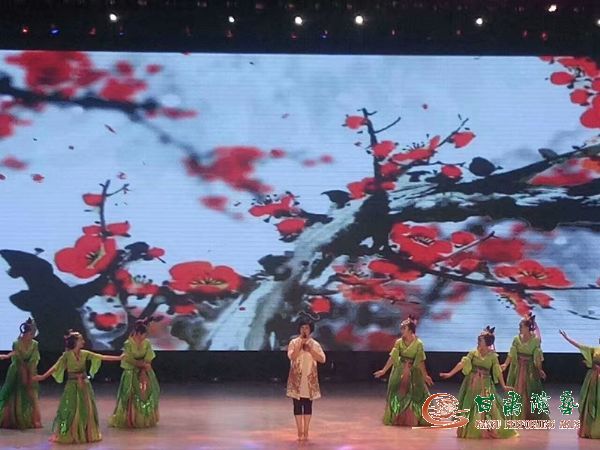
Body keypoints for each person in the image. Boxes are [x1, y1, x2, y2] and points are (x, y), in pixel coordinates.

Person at [34, 330, 122, 444]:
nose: (83, 341)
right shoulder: (67, 355)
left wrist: (119, 358)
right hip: (72, 386)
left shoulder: (85, 353)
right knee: (71, 409)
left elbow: (101, 357)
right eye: (81, 339)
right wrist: (42, 377)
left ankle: (85, 432)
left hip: (84, 385)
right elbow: (56, 367)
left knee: (86, 409)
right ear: (75, 342)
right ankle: (71, 432)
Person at [440, 326, 517, 439]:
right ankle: (469, 429)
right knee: (471, 406)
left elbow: (497, 371)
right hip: (472, 383)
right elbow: (462, 363)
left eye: (480, 340)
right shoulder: (473, 353)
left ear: (486, 342)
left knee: (485, 407)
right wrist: (450, 374)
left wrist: (503, 385)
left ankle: (485, 429)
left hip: (485, 384)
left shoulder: (492, 356)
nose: (478, 341)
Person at [373, 315, 433, 426]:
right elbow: (393, 357)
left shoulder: (419, 344)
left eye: (404, 328)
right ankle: (397, 418)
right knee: (397, 393)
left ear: (410, 330)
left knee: (415, 394)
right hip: (400, 371)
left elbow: (420, 361)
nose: (401, 330)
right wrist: (384, 370)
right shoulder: (399, 342)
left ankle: (413, 418)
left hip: (413, 372)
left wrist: (425, 375)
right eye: (401, 328)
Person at [109, 318, 160, 428]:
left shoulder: (146, 343)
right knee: (130, 394)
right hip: (131, 371)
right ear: (138, 333)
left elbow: (149, 356)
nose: (144, 337)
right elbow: (128, 358)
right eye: (143, 335)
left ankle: (145, 417)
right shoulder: (128, 344)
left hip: (145, 370)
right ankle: (131, 418)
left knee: (147, 393)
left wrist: (144, 369)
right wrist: (141, 365)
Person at [500, 313, 548, 420]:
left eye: (521, 326)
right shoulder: (516, 339)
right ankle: (516, 414)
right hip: (517, 368)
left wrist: (540, 369)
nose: (519, 328)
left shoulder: (535, 340)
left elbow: (537, 356)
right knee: (517, 390)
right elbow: (512, 353)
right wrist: (505, 364)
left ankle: (529, 415)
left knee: (530, 391)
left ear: (527, 327)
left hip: (529, 369)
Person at [286, 320, 326, 441]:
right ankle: (299, 431)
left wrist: (310, 350)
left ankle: (306, 431)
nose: (304, 330)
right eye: (302, 328)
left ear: (310, 330)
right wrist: (300, 346)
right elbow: (292, 356)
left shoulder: (315, 344)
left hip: (309, 378)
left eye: (307, 328)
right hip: (296, 379)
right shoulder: (294, 342)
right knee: (297, 405)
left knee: (308, 405)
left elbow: (322, 359)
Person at [0, 318, 42, 429]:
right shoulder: (16, 343)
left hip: (30, 370)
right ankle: (14, 418)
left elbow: (34, 358)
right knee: (14, 393)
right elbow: (17, 357)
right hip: (17, 369)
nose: (32, 336)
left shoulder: (35, 344)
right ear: (26, 333)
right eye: (31, 334)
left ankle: (31, 419)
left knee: (30, 394)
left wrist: (30, 371)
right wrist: (23, 369)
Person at [559, 329, 600, 438]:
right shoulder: (594, 350)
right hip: (593, 378)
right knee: (591, 402)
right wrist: (567, 338)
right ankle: (590, 429)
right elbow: (579, 346)